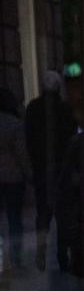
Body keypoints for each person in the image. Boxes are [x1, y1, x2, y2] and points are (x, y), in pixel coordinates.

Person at [25, 71, 76, 271]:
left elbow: (29, 139)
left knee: (43, 214)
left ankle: (41, 254)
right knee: (63, 215)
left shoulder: (33, 109)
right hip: (62, 169)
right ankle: (62, 255)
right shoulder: (66, 110)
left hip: (41, 169)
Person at [0, 88, 31, 269]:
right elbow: (22, 154)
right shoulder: (14, 124)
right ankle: (16, 256)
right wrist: (29, 173)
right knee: (14, 218)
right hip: (13, 177)